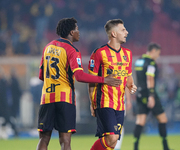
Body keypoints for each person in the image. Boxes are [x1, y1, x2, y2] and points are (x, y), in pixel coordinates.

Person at [36, 17, 122, 150]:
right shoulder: (72, 50)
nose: (79, 32)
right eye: (76, 29)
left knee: (44, 138)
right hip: (65, 98)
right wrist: (104, 79)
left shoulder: (47, 47)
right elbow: (80, 76)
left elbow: (41, 75)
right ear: (71, 32)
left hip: (46, 98)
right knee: (65, 140)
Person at [88, 19, 137, 150]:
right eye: (123, 30)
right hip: (104, 102)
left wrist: (131, 86)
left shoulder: (128, 54)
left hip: (120, 104)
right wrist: (92, 103)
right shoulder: (99, 53)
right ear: (114, 34)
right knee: (112, 138)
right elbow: (91, 80)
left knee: (113, 143)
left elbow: (128, 76)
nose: (126, 32)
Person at [133, 43, 171, 150]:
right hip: (150, 95)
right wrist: (151, 95)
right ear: (153, 51)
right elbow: (150, 78)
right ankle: (166, 147)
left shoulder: (139, 61)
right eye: (158, 53)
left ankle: (135, 147)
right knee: (163, 119)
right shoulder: (151, 63)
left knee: (140, 121)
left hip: (140, 94)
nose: (158, 56)